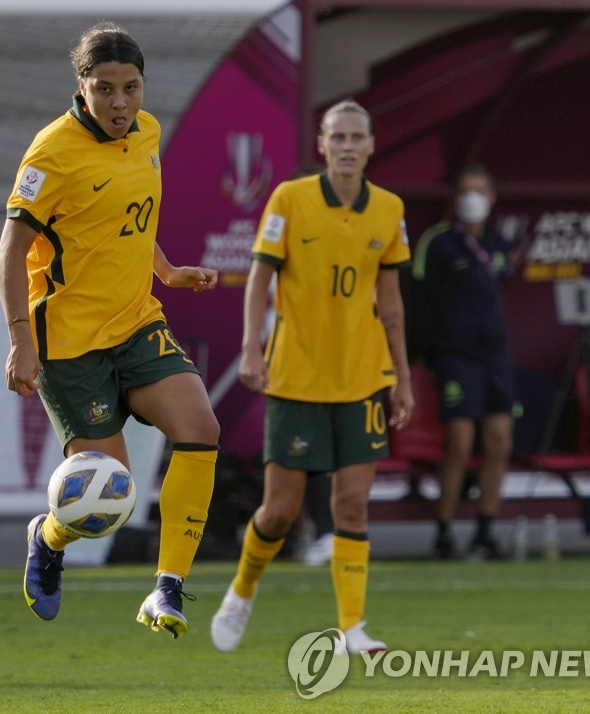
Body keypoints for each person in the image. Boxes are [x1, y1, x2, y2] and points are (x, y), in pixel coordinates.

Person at [0, 21, 220, 639]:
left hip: (136, 320)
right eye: (105, 90)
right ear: (82, 87)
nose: (120, 104)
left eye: (131, 87)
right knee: (109, 500)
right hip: (69, 344)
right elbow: (10, 252)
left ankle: (167, 588)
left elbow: (126, 220)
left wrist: (168, 272)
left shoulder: (147, 131)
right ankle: (49, 535)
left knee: (200, 429)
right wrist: (20, 340)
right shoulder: (50, 153)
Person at [209, 100, 414, 655]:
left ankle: (352, 629)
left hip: (363, 377)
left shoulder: (389, 210)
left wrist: (402, 375)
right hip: (296, 376)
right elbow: (258, 280)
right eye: (337, 137)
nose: (348, 145)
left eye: (357, 136)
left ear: (371, 144)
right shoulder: (290, 199)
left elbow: (390, 299)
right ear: (322, 146)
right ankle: (242, 590)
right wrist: (251, 349)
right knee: (279, 512)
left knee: (351, 504)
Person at [411, 165, 518, 561]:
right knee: (459, 443)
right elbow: (420, 303)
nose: (471, 198)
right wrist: (424, 356)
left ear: (491, 197)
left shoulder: (500, 243)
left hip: (495, 357)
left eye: (478, 190)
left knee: (500, 442)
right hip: (455, 357)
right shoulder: (438, 242)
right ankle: (443, 529)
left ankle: (485, 529)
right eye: (464, 191)